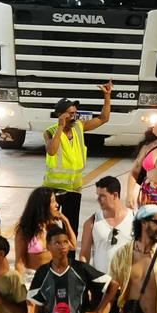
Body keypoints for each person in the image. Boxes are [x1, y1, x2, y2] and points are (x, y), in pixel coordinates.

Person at [14, 186, 76, 313]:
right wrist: (21, 284)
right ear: (42, 204)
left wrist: (65, 220)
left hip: (52, 280)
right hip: (31, 280)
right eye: (52, 201)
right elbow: (20, 261)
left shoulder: (53, 228)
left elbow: (73, 245)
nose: (56, 204)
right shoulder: (24, 229)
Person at [78, 175, 134, 313]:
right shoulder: (92, 221)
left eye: (102, 196)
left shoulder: (134, 218)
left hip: (128, 284)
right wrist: (85, 284)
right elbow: (84, 255)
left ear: (115, 195)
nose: (98, 200)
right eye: (97, 195)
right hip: (101, 285)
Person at [44, 84, 113, 233]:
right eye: (70, 114)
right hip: (53, 188)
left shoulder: (79, 128)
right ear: (60, 115)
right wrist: (61, 127)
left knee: (71, 226)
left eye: (76, 113)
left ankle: (70, 255)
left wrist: (107, 96)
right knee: (50, 227)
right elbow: (51, 150)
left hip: (74, 188)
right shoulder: (50, 132)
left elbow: (103, 118)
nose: (75, 117)